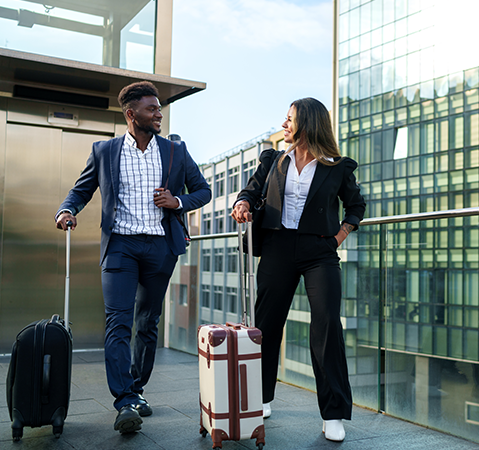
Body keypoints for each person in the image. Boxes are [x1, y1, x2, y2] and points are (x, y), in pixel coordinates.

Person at [55, 81, 211, 434]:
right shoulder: (105, 151)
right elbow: (81, 190)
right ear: (131, 114)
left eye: (159, 108)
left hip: (160, 247)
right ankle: (124, 400)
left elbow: (203, 190)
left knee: (148, 322)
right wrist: (66, 210)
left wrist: (178, 201)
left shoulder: (174, 152)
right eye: (152, 108)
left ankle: (137, 390)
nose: (159, 114)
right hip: (121, 247)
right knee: (118, 322)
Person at [231, 97, 365, 442]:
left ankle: (333, 413)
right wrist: (242, 202)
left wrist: (339, 236)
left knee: (326, 325)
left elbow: (356, 206)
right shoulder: (273, 160)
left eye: (289, 119)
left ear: (308, 123)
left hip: (319, 252)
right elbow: (251, 189)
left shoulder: (338, 167)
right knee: (267, 325)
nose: (284, 124)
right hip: (276, 248)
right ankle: (261, 398)